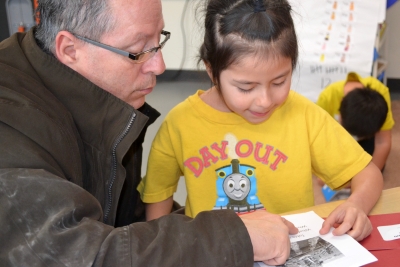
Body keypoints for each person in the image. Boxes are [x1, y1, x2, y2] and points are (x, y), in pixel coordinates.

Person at [0, 0, 299, 266]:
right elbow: (79, 254)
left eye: (159, 41)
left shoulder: (99, 101)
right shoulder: (9, 124)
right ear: (70, 49)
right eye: (137, 51)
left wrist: (218, 225)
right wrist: (233, 237)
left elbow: (125, 222)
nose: (159, 65)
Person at [138, 0, 383, 242]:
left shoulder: (304, 115)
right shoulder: (180, 125)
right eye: (246, 87)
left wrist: (356, 204)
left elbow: (368, 174)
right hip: (218, 253)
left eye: (279, 82)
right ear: (212, 71)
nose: (265, 101)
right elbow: (157, 199)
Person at [317, 72, 394, 171]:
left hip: (367, 137)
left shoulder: (381, 93)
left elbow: (382, 142)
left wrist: (370, 175)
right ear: (340, 102)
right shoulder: (327, 98)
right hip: (336, 136)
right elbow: (321, 140)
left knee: (372, 166)